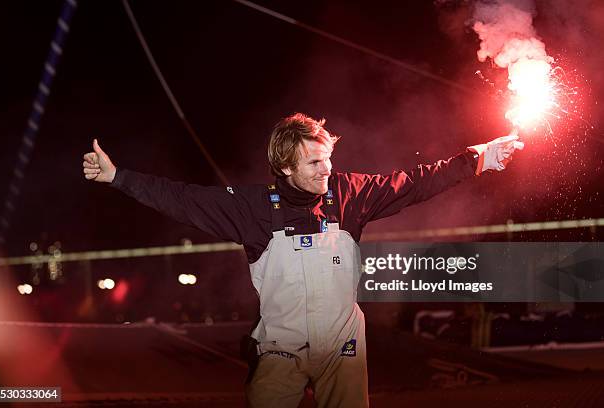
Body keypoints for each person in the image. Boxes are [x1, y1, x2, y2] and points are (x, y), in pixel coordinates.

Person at [82, 113, 522, 407]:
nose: (326, 169)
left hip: (343, 348)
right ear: (285, 167)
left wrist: (480, 157)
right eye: (314, 162)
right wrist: (118, 177)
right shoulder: (252, 209)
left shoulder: (349, 193)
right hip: (280, 350)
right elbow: (181, 198)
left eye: (328, 158)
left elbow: (416, 183)